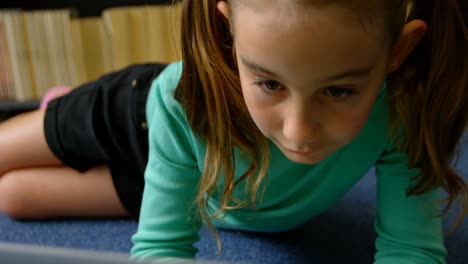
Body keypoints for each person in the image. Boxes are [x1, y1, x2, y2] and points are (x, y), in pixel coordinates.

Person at [0, 0, 467, 262]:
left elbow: (411, 251)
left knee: (14, 198)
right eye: (269, 83)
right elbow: (162, 249)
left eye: (339, 91)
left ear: (397, 53)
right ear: (229, 35)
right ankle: (58, 106)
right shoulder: (178, 100)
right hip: (137, 116)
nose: (299, 131)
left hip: (197, 185)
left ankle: (157, 178)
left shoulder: (406, 115)